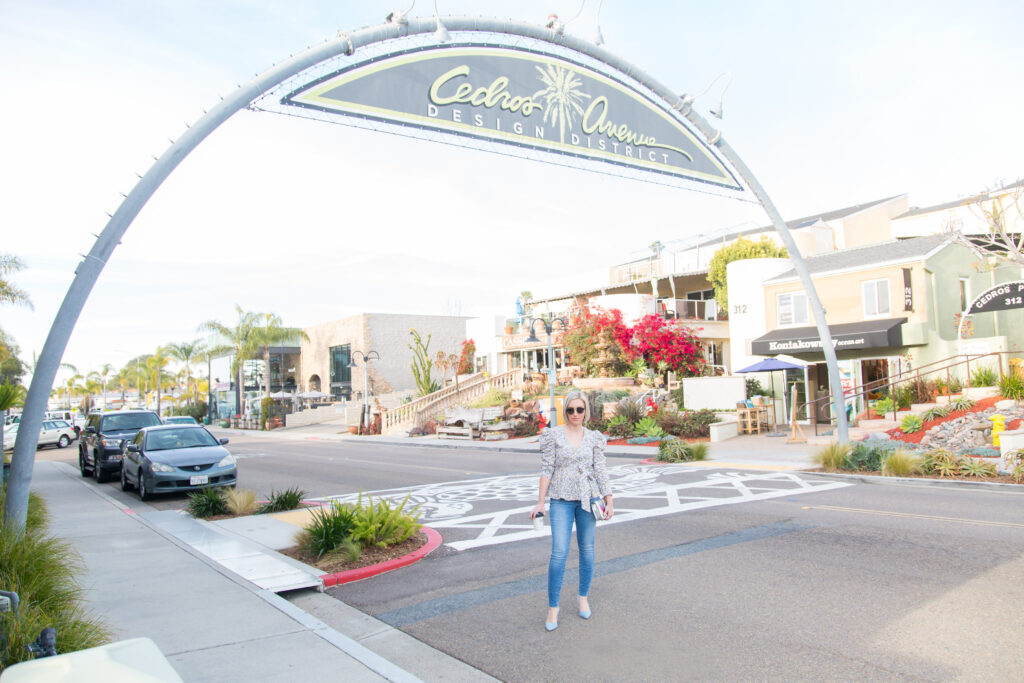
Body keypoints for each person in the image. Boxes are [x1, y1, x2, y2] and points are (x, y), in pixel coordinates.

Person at [530, 390, 613, 631]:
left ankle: (583, 597)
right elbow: (546, 469)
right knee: (559, 553)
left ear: (586, 411)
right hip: (561, 500)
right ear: (565, 411)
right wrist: (540, 502)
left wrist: (609, 499)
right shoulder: (553, 435)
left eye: (580, 409)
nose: (575, 414)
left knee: (587, 550)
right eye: (570, 410)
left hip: (588, 499)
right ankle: (553, 608)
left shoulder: (594, 437)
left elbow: (600, 470)